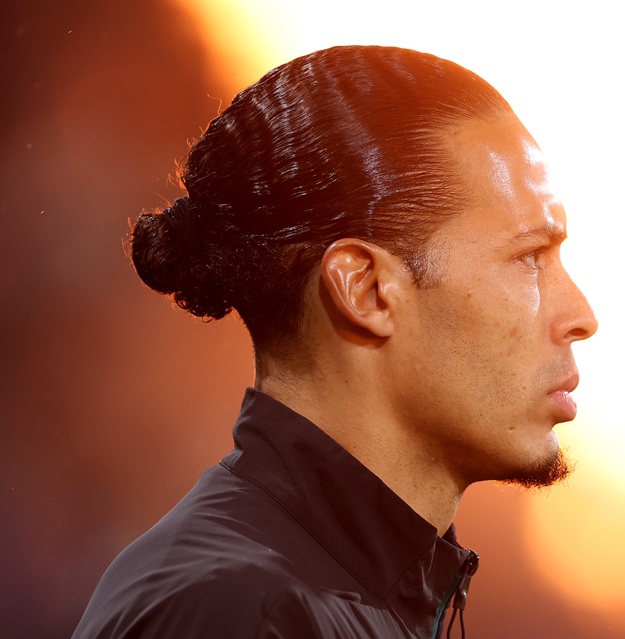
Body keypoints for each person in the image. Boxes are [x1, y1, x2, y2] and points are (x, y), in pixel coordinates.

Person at [72, 45, 597, 639]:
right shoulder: (241, 613)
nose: (581, 316)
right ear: (366, 290)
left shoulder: (323, 595)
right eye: (529, 258)